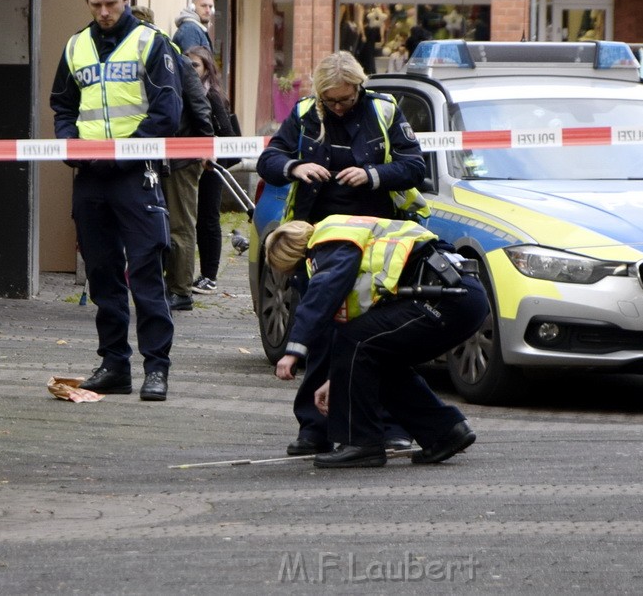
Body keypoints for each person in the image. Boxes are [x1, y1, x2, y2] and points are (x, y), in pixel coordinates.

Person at [257, 51, 428, 456]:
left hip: (376, 243)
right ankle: (314, 429)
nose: (337, 107)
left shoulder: (383, 111)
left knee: (373, 337)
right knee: (319, 329)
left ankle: (388, 426)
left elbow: (414, 166)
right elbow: (269, 159)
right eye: (330, 100)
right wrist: (295, 167)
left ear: (360, 88)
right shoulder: (303, 114)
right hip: (318, 238)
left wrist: (372, 175)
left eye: (346, 100)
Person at [50, 0, 183, 401]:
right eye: (96, 4)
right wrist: (72, 146)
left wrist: (124, 153)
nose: (104, 11)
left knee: (146, 272)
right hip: (91, 177)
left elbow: (168, 112)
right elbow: (63, 106)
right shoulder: (75, 47)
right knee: (103, 274)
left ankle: (156, 368)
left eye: (111, 3)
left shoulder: (151, 43)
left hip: (134, 175)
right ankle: (113, 364)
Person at [267, 215, 488, 468]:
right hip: (459, 296)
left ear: (292, 255)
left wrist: (294, 349)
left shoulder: (328, 244)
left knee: (353, 339)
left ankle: (361, 443)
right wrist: (336, 379)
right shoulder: (344, 234)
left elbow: (324, 290)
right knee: (378, 357)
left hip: (445, 297)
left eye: (293, 271)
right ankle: (445, 431)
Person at [130, 6, 216, 312]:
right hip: (154, 157)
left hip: (181, 158)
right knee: (157, 224)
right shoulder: (145, 62)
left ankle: (180, 290)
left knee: (180, 225)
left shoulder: (174, 60)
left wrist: (204, 149)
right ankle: (167, 285)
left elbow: (199, 105)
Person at [186, 46, 237, 295]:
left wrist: (213, 156)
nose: (190, 69)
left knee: (208, 219)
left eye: (195, 65)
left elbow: (227, 133)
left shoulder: (212, 95)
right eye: (187, 64)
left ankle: (209, 276)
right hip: (191, 164)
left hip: (211, 167)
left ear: (207, 68)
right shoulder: (186, 90)